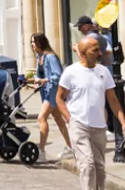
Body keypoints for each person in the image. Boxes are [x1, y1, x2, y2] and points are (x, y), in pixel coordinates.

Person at [57, 37, 125, 190]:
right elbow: (59, 98)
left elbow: (113, 101)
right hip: (78, 124)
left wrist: (124, 124)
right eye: (95, 50)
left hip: (99, 127)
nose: (99, 52)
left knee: (100, 169)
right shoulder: (71, 72)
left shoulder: (103, 72)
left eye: (99, 49)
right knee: (88, 165)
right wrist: (69, 119)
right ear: (83, 53)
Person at [31, 32, 72, 160]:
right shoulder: (39, 56)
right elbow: (41, 75)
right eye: (31, 42)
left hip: (54, 92)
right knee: (58, 119)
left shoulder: (50, 57)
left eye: (34, 42)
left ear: (40, 43)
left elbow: (58, 75)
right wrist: (37, 82)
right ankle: (70, 147)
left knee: (41, 118)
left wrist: (44, 80)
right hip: (46, 91)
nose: (32, 44)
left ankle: (41, 151)